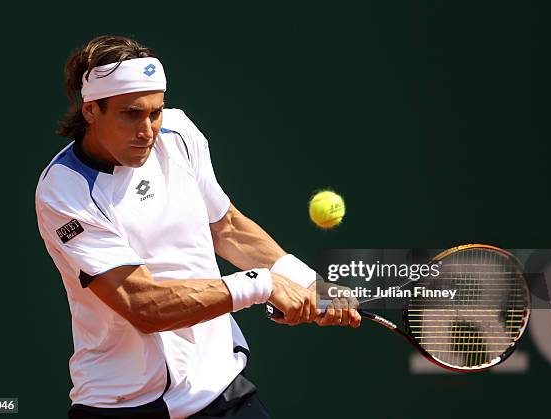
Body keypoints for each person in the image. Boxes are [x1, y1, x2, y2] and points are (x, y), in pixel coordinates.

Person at [35, 35, 361, 419]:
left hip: (219, 387)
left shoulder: (178, 134)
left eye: (155, 112)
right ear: (91, 111)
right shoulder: (65, 191)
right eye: (130, 114)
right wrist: (264, 285)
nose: (147, 131)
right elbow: (145, 305)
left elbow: (226, 227)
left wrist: (306, 281)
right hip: (126, 405)